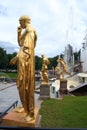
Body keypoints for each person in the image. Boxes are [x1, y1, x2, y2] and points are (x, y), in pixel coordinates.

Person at [9, 15, 37, 122]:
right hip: (24, 62)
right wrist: (18, 33)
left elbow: (27, 49)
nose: (19, 24)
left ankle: (31, 112)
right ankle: (26, 108)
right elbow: (21, 44)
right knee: (23, 86)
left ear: (24, 21)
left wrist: (17, 57)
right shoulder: (28, 31)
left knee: (26, 86)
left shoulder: (30, 30)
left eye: (20, 22)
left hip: (26, 64)